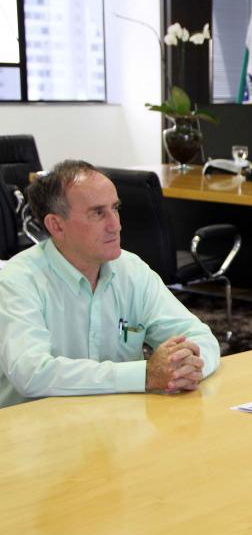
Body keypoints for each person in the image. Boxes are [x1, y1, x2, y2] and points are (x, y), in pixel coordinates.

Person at [0, 160, 220, 408]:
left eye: (115, 208)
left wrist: (188, 367)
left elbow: (199, 337)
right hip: (35, 424)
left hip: (118, 419)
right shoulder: (18, 281)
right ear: (56, 225)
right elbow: (31, 374)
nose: (115, 225)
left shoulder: (131, 270)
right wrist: (143, 375)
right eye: (98, 213)